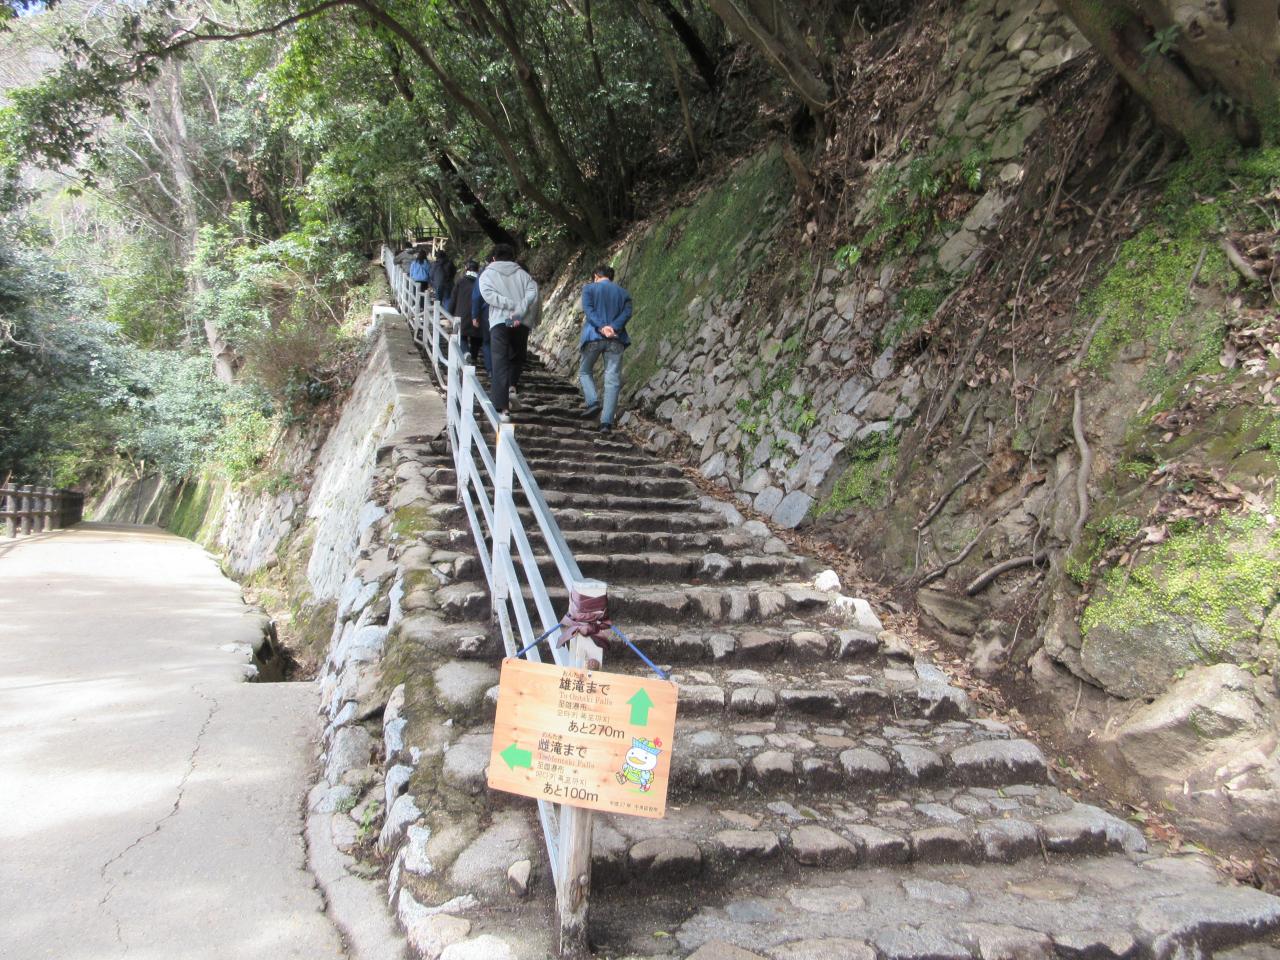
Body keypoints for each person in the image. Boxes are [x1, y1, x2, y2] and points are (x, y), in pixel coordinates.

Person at [478, 244, 538, 422]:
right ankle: (512, 387)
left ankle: (503, 409)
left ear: (494, 258)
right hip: (519, 320)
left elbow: (488, 295)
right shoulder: (524, 275)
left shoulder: (487, 274)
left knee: (499, 360)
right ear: (513, 257)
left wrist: (509, 305)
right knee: (516, 357)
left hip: (500, 320)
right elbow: (533, 294)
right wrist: (518, 310)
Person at [579, 265, 632, 433]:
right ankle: (606, 423)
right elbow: (627, 313)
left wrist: (602, 327)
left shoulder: (589, 289)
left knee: (584, 371)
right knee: (612, 380)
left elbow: (589, 311)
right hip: (616, 338)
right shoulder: (623, 293)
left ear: (596, 276)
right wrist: (613, 328)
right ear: (611, 277)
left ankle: (593, 402)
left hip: (594, 336)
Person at [451, 260, 482, 365]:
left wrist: (450, 312)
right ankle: (473, 357)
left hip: (461, 314)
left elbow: (453, 299)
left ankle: (465, 352)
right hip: (477, 314)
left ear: (466, 269)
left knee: (462, 336)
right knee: (476, 337)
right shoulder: (481, 282)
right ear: (477, 269)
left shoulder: (461, 282)